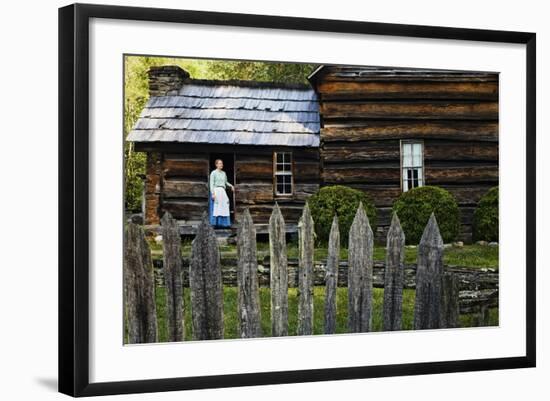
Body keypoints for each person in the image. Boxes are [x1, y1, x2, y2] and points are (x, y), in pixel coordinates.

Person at [209, 159, 234, 227]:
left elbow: (226, 182)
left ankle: (224, 223)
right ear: (216, 165)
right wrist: (213, 193)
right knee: (217, 207)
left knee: (225, 205)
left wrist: (231, 185)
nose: (221, 165)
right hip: (216, 190)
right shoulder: (213, 173)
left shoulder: (224, 173)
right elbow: (211, 183)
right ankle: (215, 223)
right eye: (219, 163)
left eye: (222, 163)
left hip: (222, 191)